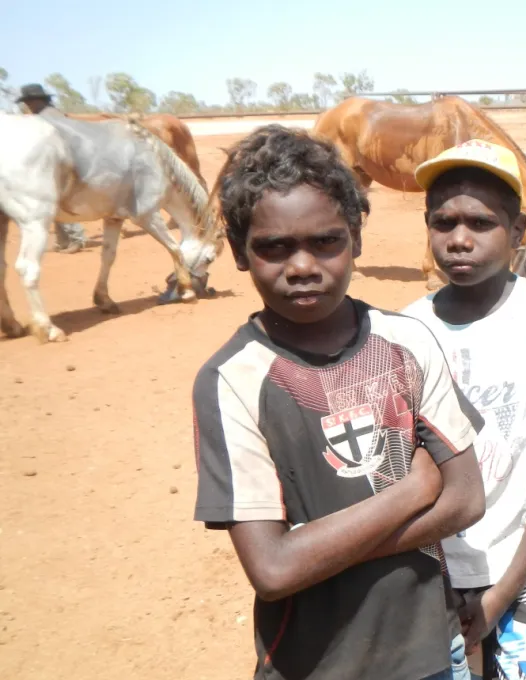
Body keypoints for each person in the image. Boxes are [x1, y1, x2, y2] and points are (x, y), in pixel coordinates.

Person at [191, 124, 487, 680]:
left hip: (430, 649)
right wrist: (411, 493)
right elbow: (273, 571)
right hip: (316, 664)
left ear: (356, 237)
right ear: (237, 251)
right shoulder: (232, 380)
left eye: (325, 241)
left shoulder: (407, 343)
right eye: (274, 247)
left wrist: (313, 552)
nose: (302, 265)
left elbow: (467, 499)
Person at [402, 139, 526, 680]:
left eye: (481, 224)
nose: (459, 240)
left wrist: (502, 592)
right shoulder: (407, 331)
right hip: (433, 573)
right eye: (444, 223)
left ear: (518, 230)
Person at [17, 83, 87, 253]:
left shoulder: (47, 117)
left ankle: (76, 239)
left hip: (61, 165)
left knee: (60, 202)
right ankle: (63, 241)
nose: (27, 105)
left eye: (28, 102)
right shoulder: (49, 114)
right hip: (56, 165)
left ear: (36, 101)